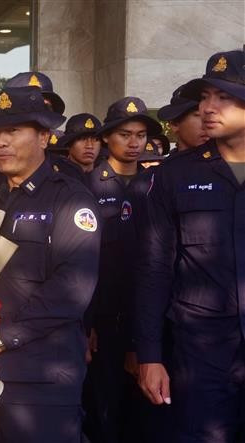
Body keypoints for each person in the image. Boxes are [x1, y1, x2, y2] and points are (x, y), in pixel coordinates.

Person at [0, 86, 100, 442]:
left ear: (44, 137)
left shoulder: (70, 199)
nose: (0, 143)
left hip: (42, 376)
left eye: (13, 132)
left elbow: (72, 290)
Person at [136, 49, 245, 442]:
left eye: (224, 97)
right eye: (204, 97)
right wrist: (149, 353)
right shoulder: (174, 175)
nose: (208, 108)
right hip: (200, 353)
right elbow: (153, 270)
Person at [83, 96, 162, 443]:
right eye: (125, 134)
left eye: (141, 135)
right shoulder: (87, 187)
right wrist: (87, 323)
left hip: (148, 317)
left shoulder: (156, 186)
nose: (134, 143)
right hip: (105, 321)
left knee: (145, 413)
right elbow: (82, 262)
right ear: (106, 139)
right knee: (105, 409)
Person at [157, 85, 209, 153]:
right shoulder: (170, 163)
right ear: (174, 124)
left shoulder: (223, 161)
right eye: (199, 116)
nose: (209, 124)